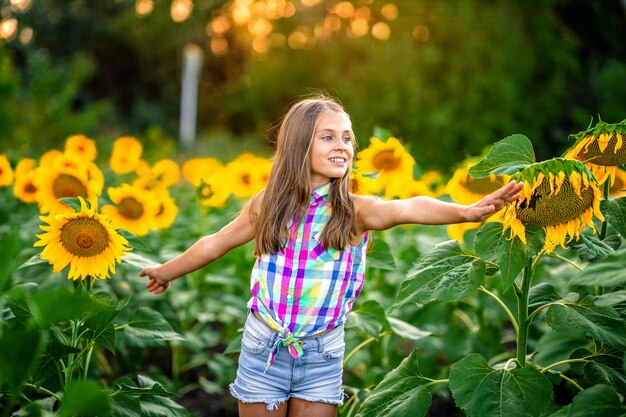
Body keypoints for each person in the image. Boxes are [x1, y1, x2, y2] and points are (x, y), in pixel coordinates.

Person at [140, 95, 523, 417]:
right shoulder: (268, 206)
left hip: (321, 355)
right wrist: (167, 270)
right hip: (264, 348)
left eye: (347, 138)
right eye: (328, 137)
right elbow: (215, 243)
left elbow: (407, 207)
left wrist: (466, 212)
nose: (343, 145)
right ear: (298, 145)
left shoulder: (354, 211)